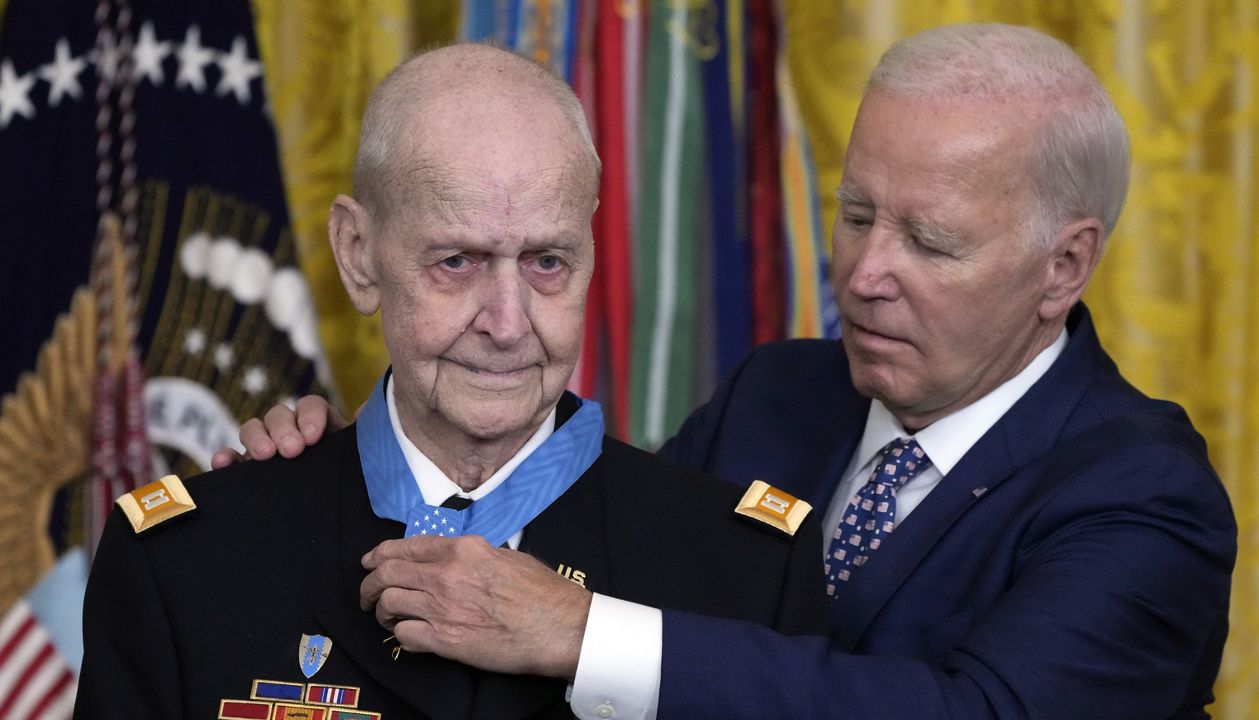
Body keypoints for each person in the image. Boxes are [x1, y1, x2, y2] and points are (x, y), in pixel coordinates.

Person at [228, 23, 1238, 720]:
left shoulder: (1143, 494)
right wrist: (358, 460)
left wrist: (589, 637)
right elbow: (587, 524)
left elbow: (974, 712)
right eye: (853, 216)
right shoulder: (780, 393)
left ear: (1062, 265)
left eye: (927, 242)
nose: (863, 274)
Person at [74, 44, 829, 719]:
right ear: (359, 254)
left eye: (547, 263)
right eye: (456, 263)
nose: (507, 323)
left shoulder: (745, 573)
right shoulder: (186, 561)